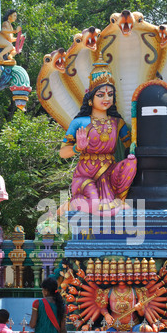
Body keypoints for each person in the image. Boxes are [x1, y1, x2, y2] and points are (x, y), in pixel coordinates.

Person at [59, 54, 137, 215]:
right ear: (90, 98)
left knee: (132, 163)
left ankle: (119, 200)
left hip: (109, 172)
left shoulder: (117, 122)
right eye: (100, 95)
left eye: (110, 94)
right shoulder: (79, 122)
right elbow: (62, 153)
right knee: (95, 206)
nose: (106, 98)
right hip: (86, 175)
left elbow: (132, 146)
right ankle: (72, 203)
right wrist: (77, 148)